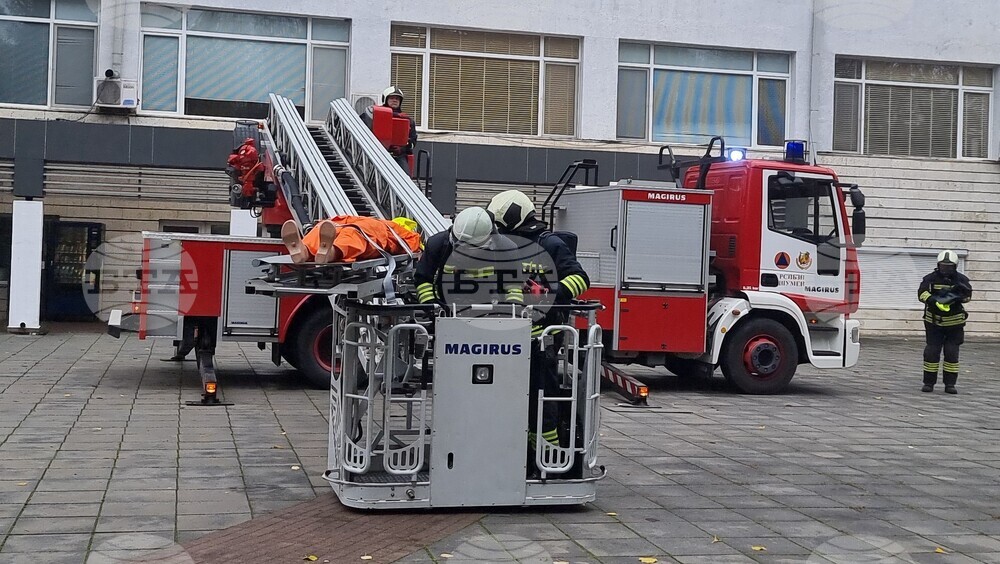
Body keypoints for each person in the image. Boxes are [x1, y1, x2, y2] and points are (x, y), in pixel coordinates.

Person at [487, 190, 589, 452]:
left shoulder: (550, 244)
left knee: (541, 399)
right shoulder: (498, 243)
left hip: (538, 339)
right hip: (500, 336)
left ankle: (546, 454)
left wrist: (548, 295)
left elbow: (579, 279)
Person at [414, 207, 523, 308]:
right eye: (456, 244)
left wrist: (510, 313)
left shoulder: (506, 251)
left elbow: (514, 287)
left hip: (493, 314)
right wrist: (433, 308)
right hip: (446, 311)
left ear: (486, 244)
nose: (459, 251)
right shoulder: (437, 245)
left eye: (467, 248)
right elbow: (423, 281)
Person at [918, 250, 973, 394]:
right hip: (933, 323)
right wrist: (933, 300)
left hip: (954, 325)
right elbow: (922, 293)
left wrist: (954, 297)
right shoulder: (930, 278)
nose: (945, 269)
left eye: (949, 267)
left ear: (955, 266)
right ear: (938, 265)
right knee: (931, 352)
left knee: (951, 353)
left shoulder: (961, 280)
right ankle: (929, 383)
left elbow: (967, 296)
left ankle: (950, 385)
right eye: (943, 266)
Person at [280, 216, 421, 264]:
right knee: (353, 237)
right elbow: (415, 245)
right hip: (373, 230)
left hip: (347, 220)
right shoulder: (406, 235)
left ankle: (304, 250)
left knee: (326, 226)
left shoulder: (386, 223)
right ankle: (331, 253)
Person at [361, 86, 418, 174]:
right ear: (385, 99)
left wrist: (402, 149)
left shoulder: (408, 120)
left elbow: (413, 141)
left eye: (397, 99)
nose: (395, 100)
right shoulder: (373, 114)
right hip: (376, 153)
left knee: (405, 178)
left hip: (398, 156)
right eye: (392, 98)